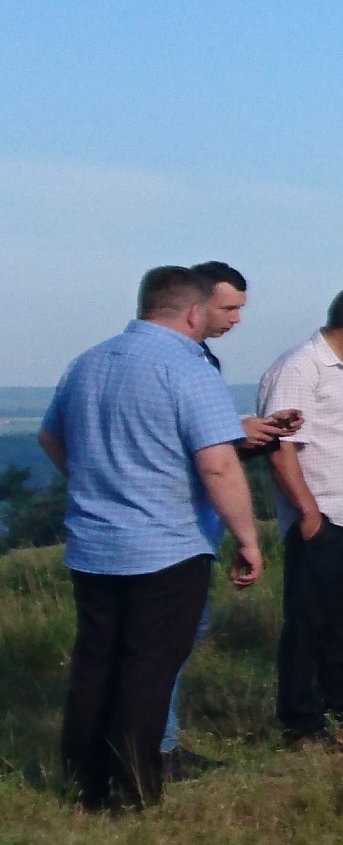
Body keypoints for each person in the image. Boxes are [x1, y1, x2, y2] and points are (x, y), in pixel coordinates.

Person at [37, 266, 269, 807]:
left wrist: (94, 481)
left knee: (96, 663)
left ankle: (85, 781)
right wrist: (247, 538)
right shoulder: (188, 370)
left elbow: (50, 436)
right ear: (193, 312)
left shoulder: (89, 361)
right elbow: (218, 465)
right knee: (148, 668)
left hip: (95, 543)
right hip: (166, 546)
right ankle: (133, 787)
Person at [162, 260, 289, 771]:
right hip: (177, 529)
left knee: (172, 640)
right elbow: (205, 456)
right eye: (229, 308)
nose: (237, 319)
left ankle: (150, 742)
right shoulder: (187, 365)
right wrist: (235, 436)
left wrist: (248, 432)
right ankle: (157, 748)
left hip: (192, 527)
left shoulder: (200, 360)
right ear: (197, 306)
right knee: (168, 641)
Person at [260, 284, 343, 745]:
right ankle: (301, 719)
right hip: (325, 515)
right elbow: (281, 448)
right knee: (310, 621)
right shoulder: (300, 367)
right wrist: (307, 511)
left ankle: (341, 701)